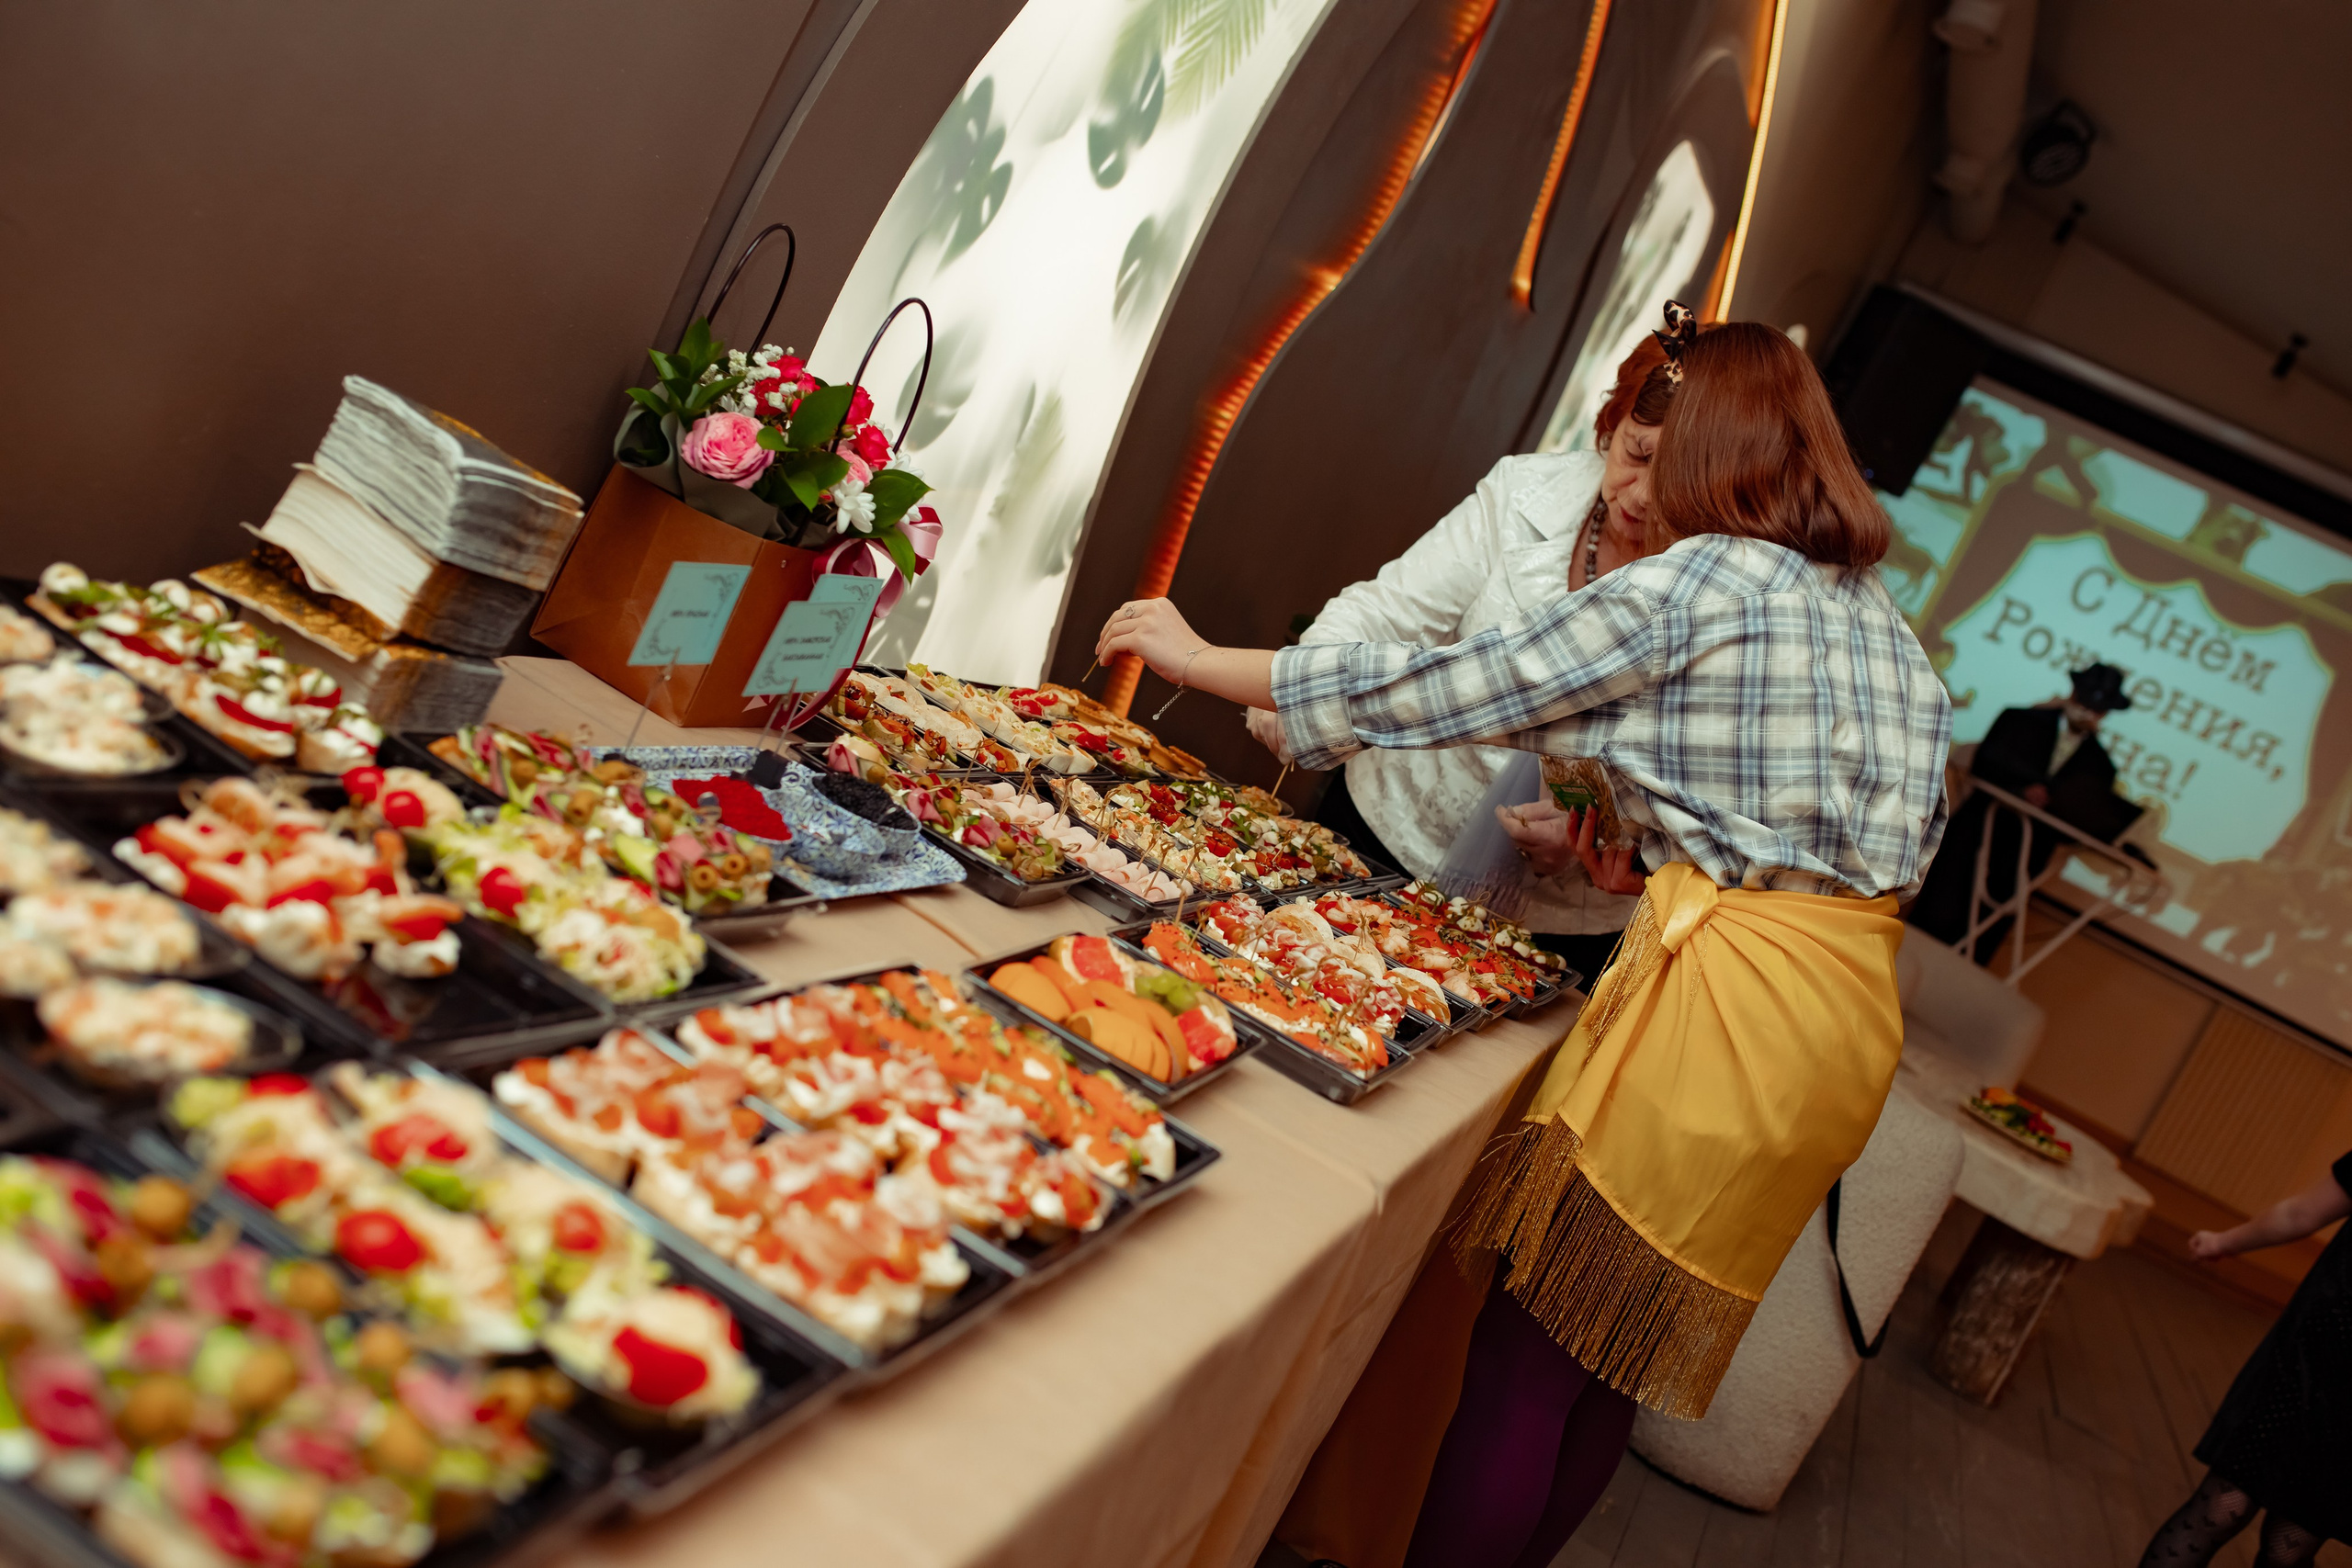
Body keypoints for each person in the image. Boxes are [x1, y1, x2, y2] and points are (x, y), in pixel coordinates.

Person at [1097, 305, 1951, 1564]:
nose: (1640, 488)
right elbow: (1807, 826)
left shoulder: (1708, 574)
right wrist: (1626, 841)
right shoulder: (1865, 608)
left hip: (1722, 1010)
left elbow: (1457, 685)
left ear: (1725, 456)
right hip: (1836, 1025)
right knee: (1607, 1362)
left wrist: (1209, 658)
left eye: (1669, 462)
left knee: (1520, 1362)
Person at [1242, 338, 1674, 981]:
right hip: (1389, 829)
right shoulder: (1526, 490)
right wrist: (1302, 681)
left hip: (1555, 926)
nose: (1640, 495)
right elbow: (1388, 609)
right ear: (1610, 426)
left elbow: (1691, 781)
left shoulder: (1711, 589)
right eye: (1635, 455)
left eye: (1674, 481)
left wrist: (1602, 836)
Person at [2137, 1158, 2352, 1565]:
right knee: (2290, 1542)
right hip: (2317, 1363)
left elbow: (2301, 1213)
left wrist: (2224, 1242)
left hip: (2314, 1355)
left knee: (2222, 1509)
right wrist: (2225, 1242)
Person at [1907, 661, 2143, 953]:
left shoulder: (2100, 766)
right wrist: (2021, 791)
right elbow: (1984, 765)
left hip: (2021, 861)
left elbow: (2079, 824)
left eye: (2098, 707)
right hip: (1973, 838)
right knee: (1936, 915)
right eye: (2085, 700)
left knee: (1981, 937)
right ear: (2073, 692)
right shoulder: (2018, 720)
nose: (2088, 711)